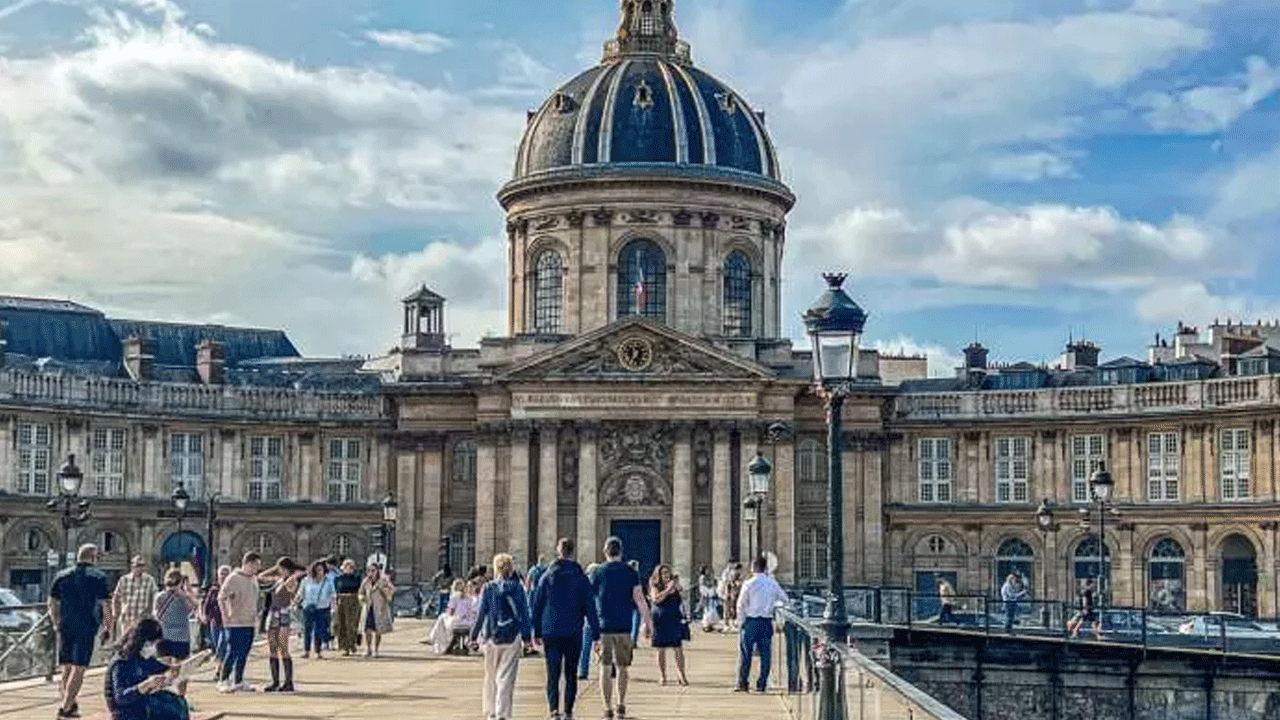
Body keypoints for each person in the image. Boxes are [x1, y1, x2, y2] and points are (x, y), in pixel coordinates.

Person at [532, 538, 599, 720]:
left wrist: (536, 631)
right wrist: (596, 634)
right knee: (571, 674)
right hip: (573, 631)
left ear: (558, 551)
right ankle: (568, 711)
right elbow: (590, 608)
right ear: (572, 552)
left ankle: (554, 710)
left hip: (550, 631)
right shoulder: (581, 578)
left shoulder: (546, 577)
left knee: (552, 674)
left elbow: (537, 605)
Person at [591, 537, 653, 720]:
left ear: (605, 552)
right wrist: (648, 623)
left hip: (603, 627)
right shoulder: (630, 572)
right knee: (622, 667)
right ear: (621, 552)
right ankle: (621, 705)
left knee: (604, 667)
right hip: (624, 626)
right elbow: (640, 599)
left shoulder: (597, 572)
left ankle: (607, 708)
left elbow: (589, 600)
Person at [50, 543, 114, 719]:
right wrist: (108, 627)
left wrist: (56, 622)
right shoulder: (99, 577)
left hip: (65, 625)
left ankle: (70, 705)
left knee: (66, 666)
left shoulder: (61, 576)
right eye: (98, 556)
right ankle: (65, 707)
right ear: (92, 557)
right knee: (79, 668)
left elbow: (52, 602)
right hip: (86, 626)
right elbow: (106, 606)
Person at [470, 553, 533, 720]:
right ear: (511, 569)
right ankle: (503, 713)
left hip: (492, 637)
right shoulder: (517, 588)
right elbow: (524, 614)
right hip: (511, 637)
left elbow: (481, 614)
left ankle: (490, 712)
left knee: (490, 677)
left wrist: (473, 636)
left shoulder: (488, 588)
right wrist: (527, 637)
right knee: (506, 678)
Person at [104, 618, 189, 720]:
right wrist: (146, 685)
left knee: (177, 703)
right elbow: (121, 697)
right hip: (125, 713)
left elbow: (157, 666)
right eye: (152, 643)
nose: (154, 648)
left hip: (141, 704)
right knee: (171, 709)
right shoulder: (120, 663)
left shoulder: (139, 658)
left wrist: (173, 669)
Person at [735, 555, 787, 694]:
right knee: (765, 654)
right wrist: (774, 608)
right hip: (766, 621)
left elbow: (740, 604)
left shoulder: (749, 583)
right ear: (765, 568)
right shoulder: (772, 583)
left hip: (751, 621)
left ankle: (743, 682)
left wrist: (740, 622)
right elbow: (784, 599)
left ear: (754, 567)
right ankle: (762, 683)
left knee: (746, 653)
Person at [216, 552, 262, 693]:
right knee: (232, 651)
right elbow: (221, 597)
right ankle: (223, 679)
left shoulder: (253, 579)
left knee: (244, 652)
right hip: (235, 622)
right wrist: (225, 616)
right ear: (248, 564)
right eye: (256, 565)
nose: (257, 569)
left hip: (249, 622)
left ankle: (238, 680)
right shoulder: (234, 578)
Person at [257, 557, 305, 691]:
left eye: (282, 569)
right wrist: (274, 568)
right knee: (272, 648)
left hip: (284, 614)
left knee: (283, 647)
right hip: (274, 614)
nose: (280, 571)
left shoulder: (291, 581)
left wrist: (293, 573)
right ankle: (275, 681)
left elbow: (292, 584)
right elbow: (261, 577)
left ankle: (288, 682)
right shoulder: (278, 580)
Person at [152, 569, 198, 696]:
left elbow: (155, 614)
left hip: (168, 636)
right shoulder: (178, 597)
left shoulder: (162, 596)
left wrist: (184, 593)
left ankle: (164, 694)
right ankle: (177, 695)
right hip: (175, 636)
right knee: (178, 668)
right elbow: (195, 606)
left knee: (167, 668)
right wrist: (186, 592)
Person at [648, 564, 689, 687]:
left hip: (674, 620)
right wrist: (667, 590)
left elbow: (682, 595)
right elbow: (656, 599)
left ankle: (681, 675)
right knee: (661, 649)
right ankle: (663, 675)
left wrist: (676, 585)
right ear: (658, 575)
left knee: (678, 649)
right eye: (663, 573)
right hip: (660, 621)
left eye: (667, 572)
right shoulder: (655, 586)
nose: (666, 575)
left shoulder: (674, 585)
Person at [113, 556, 158, 640]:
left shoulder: (150, 580)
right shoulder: (124, 580)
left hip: (143, 619)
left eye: (143, 565)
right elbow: (116, 597)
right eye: (138, 565)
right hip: (128, 618)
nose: (141, 568)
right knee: (126, 642)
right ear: (132, 566)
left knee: (140, 642)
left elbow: (155, 597)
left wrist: (154, 613)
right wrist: (115, 613)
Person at [428, 579, 478, 654]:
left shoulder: (454, 597)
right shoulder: (470, 598)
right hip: (469, 624)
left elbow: (450, 612)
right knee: (443, 619)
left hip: (457, 622)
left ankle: (438, 640)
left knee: (442, 619)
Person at [299, 560, 335, 659]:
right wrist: (295, 602)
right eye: (318, 570)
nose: (320, 572)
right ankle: (306, 650)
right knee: (307, 629)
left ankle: (318, 651)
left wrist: (333, 607)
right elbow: (301, 593)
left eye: (321, 570)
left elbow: (332, 595)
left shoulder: (328, 581)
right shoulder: (306, 581)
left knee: (319, 630)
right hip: (308, 607)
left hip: (322, 608)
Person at [359, 564, 395, 658]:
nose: (371, 573)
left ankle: (376, 650)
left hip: (379, 608)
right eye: (369, 571)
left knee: (378, 630)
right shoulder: (366, 582)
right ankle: (368, 649)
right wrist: (362, 598)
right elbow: (361, 592)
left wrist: (384, 590)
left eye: (373, 570)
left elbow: (391, 592)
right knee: (367, 630)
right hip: (368, 607)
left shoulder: (383, 581)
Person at [201, 566, 231, 668]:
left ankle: (221, 667)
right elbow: (207, 605)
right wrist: (204, 616)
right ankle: (220, 665)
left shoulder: (232, 589)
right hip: (215, 622)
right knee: (216, 645)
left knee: (222, 645)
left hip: (228, 622)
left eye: (226, 573)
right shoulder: (214, 590)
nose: (223, 576)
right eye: (221, 574)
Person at [332, 559, 363, 656]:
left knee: (352, 624)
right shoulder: (338, 578)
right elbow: (336, 590)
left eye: (350, 567)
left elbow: (359, 588)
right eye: (346, 567)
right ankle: (344, 646)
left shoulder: (356, 578)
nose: (348, 569)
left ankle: (352, 644)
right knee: (341, 624)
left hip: (353, 600)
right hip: (341, 599)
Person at [577, 563, 600, 682]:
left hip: (588, 619)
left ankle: (583, 670)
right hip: (602, 617)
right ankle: (610, 668)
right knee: (606, 646)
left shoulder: (584, 582)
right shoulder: (601, 582)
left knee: (585, 647)